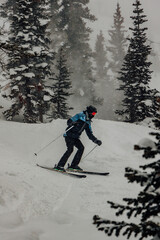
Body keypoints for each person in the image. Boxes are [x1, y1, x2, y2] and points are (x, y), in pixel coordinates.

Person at [54, 105, 102, 172]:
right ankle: (59, 166)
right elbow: (69, 121)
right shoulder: (80, 115)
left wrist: (96, 140)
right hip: (69, 135)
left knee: (81, 148)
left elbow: (89, 134)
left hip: (75, 137)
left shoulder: (88, 122)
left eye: (95, 114)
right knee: (70, 149)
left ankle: (73, 165)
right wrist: (72, 123)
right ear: (89, 112)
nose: (94, 115)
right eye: (93, 113)